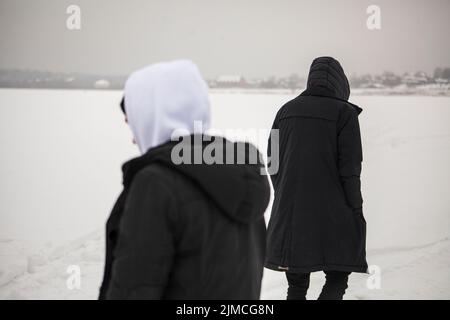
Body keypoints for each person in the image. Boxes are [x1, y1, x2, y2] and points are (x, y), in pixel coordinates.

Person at [99, 60, 270, 299]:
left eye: (134, 123)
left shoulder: (156, 183)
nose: (133, 140)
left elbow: (133, 290)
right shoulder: (240, 172)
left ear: (154, 116)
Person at [265, 57, 368, 300]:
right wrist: (355, 209)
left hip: (291, 214)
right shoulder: (344, 113)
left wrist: (284, 194)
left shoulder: (286, 110)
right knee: (337, 277)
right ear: (341, 84)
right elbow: (350, 169)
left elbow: (272, 162)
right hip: (335, 213)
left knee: (296, 286)